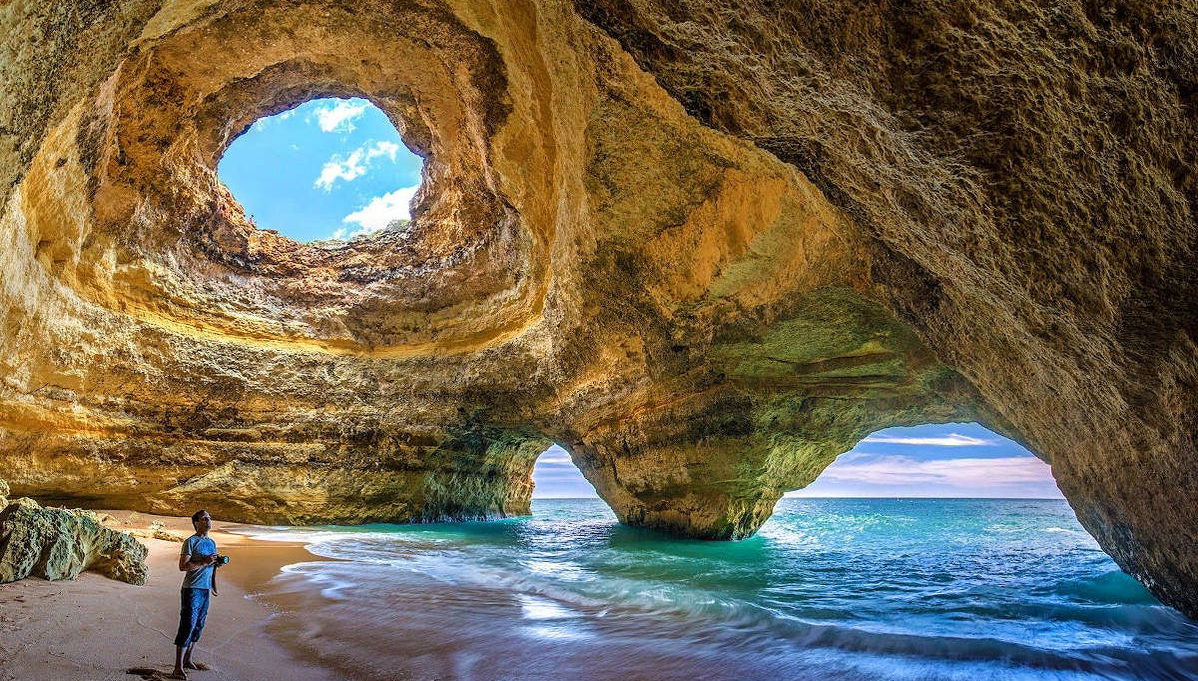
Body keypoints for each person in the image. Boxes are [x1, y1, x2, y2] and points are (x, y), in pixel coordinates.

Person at [171, 509, 223, 679]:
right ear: (196, 523)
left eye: (209, 518)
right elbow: (183, 566)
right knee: (188, 625)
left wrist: (215, 570)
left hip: (205, 588)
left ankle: (188, 659)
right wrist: (204, 562)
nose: (208, 521)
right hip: (192, 588)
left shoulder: (212, 543)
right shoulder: (190, 542)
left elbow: (211, 567)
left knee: (199, 625)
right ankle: (177, 667)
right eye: (204, 519)